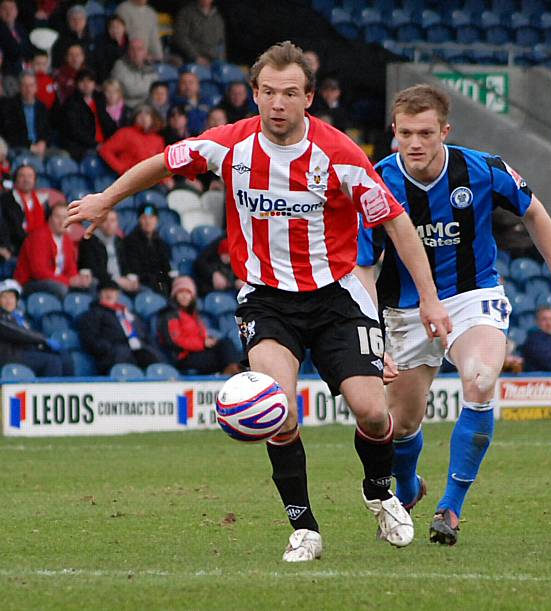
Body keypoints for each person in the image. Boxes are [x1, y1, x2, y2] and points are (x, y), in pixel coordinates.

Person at [66, 41, 451, 562]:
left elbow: (398, 223)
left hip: (337, 297)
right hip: (266, 301)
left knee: (374, 412)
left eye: (289, 93)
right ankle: (305, 529)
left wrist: (429, 298)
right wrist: (105, 199)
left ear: (308, 98)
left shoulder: (340, 155)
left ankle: (379, 491)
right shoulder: (229, 146)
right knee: (278, 409)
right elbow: (160, 162)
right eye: (267, 92)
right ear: (254, 94)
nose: (277, 103)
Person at [356, 84, 551, 546]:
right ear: (394, 133)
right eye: (405, 133)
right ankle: (408, 489)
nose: (414, 143)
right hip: (403, 309)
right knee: (400, 425)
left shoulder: (483, 169)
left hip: (471, 295)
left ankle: (451, 508)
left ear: (445, 130)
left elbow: (536, 213)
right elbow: (364, 265)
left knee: (480, 380)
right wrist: (370, 330)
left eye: (425, 132)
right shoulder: (376, 183)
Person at [157, 275, 242, 374]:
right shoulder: (170, 315)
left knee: (225, 343)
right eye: (181, 292)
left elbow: (199, 334)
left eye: (187, 292)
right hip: (183, 357)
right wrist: (202, 343)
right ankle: (235, 372)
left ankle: (235, 370)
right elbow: (175, 341)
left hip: (197, 352)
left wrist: (207, 340)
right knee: (222, 356)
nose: (184, 295)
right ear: (175, 295)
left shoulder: (193, 314)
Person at [77, 278, 163, 374]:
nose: (109, 294)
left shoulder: (128, 313)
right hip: (115, 355)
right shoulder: (94, 313)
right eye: (105, 291)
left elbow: (144, 333)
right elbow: (90, 338)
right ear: (99, 294)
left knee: (157, 363)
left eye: (112, 291)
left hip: (139, 351)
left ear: (117, 294)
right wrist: (109, 349)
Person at [14, 201, 92, 299]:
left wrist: (77, 279)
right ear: (50, 219)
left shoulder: (66, 239)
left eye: (65, 218)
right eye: (57, 217)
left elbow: (71, 267)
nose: (61, 221)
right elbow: (39, 272)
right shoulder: (39, 237)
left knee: (92, 284)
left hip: (57, 280)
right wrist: (68, 281)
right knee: (61, 288)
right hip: (31, 282)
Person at [0, 278, 73, 376]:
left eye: (11, 297)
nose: (8, 301)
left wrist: (42, 344)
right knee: (51, 362)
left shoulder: (19, 316)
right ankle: (50, 390)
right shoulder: (2, 317)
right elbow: (17, 333)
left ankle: (68, 388)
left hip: (23, 353)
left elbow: (28, 333)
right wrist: (44, 340)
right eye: (4, 297)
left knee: (63, 356)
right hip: (8, 356)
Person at [60, 68, 117, 161]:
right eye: (82, 81)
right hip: (83, 148)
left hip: (104, 144)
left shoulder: (99, 99)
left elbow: (107, 122)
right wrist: (96, 145)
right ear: (76, 84)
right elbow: (75, 131)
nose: (86, 85)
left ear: (94, 84)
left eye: (90, 81)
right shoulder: (70, 104)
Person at [77, 209, 139, 294]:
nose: (109, 224)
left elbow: (125, 265)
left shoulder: (119, 241)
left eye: (113, 221)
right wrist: (116, 280)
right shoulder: (89, 241)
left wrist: (130, 278)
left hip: (121, 282)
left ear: (117, 223)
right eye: (105, 220)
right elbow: (93, 269)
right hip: (103, 283)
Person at [98, 104, 165, 176]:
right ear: (134, 118)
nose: (143, 117)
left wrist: (166, 179)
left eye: (147, 114)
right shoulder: (125, 133)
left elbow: (161, 164)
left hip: (152, 180)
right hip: (130, 179)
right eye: (139, 114)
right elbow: (105, 150)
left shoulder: (158, 140)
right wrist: (122, 169)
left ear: (153, 118)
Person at [121, 204, 172, 296]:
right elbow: (134, 268)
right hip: (142, 284)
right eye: (144, 218)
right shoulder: (131, 241)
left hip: (159, 284)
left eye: (151, 217)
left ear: (157, 220)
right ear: (139, 220)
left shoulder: (161, 243)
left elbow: (166, 267)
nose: (148, 222)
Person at [0, 164, 47, 255]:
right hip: (14, 250)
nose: (26, 180)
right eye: (22, 176)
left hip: (39, 247)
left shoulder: (43, 201)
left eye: (30, 176)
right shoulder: (5, 200)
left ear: (35, 180)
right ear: (15, 179)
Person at [0, 72, 51, 155]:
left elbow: (47, 131)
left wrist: (43, 142)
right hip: (19, 148)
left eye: (31, 85)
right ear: (20, 87)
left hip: (40, 147)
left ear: (36, 87)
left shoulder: (42, 107)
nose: (28, 89)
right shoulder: (10, 106)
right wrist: (30, 146)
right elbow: (10, 134)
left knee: (61, 158)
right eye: (24, 85)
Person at [172, 0, 226, 65]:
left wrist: (221, 57)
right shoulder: (186, 13)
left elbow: (221, 40)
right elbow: (181, 38)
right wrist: (196, 57)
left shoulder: (219, 15)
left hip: (214, 59)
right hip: (190, 59)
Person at [110, 38, 158, 109]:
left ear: (145, 53)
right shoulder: (120, 65)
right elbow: (130, 90)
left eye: (139, 49)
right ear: (128, 52)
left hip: (148, 107)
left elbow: (156, 89)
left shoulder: (150, 67)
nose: (136, 52)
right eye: (132, 49)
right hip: (126, 108)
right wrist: (146, 91)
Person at [50, 4, 95, 69]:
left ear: (85, 21)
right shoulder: (61, 42)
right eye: (73, 19)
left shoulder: (92, 40)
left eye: (80, 19)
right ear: (68, 21)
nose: (77, 22)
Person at [0, 0, 35, 77]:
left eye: (11, 8)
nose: (9, 12)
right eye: (5, 9)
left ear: (16, 11)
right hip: (8, 72)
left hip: (24, 70)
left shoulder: (21, 28)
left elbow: (28, 49)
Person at [172, 70, 209, 135]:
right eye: (183, 83)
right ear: (179, 86)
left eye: (191, 82)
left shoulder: (207, 102)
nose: (187, 86)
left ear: (198, 85)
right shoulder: (174, 104)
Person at [94, 14, 128, 83]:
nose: (115, 30)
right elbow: (102, 67)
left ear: (124, 27)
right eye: (112, 27)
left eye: (118, 27)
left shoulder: (130, 42)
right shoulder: (102, 44)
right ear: (108, 30)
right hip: (110, 80)